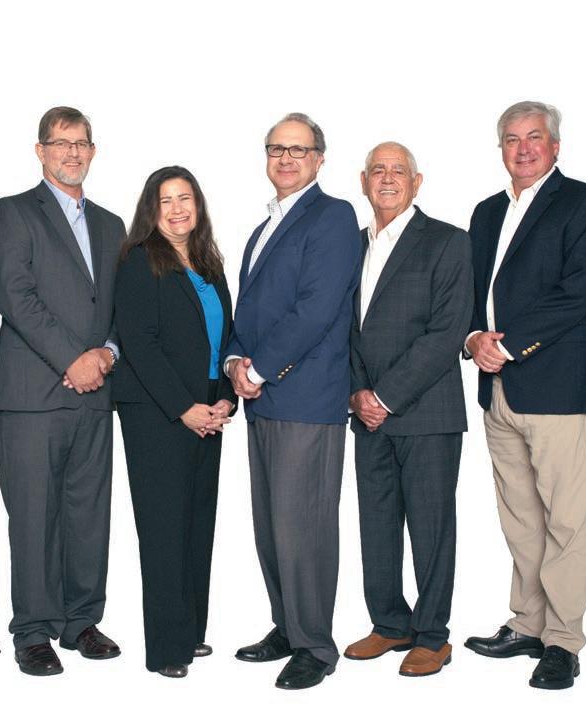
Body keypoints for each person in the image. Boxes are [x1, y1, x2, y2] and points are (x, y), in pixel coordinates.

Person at [463, 101, 586, 690]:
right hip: (497, 389)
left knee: (567, 520)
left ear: (555, 145)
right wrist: (473, 338)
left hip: (556, 387)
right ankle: (528, 623)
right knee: (520, 517)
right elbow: (471, 291)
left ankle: (563, 641)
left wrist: (507, 345)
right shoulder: (487, 211)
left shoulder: (583, 203)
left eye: (534, 137)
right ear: (500, 148)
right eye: (511, 139)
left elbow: (576, 293)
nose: (523, 149)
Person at [0, 106, 125, 677]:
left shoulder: (113, 226)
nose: (72, 152)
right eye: (60, 142)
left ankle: (82, 621)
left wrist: (106, 355)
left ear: (93, 151)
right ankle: (34, 630)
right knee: (34, 517)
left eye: (81, 143)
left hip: (95, 395)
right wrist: (73, 358)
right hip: (32, 397)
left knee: (89, 515)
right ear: (40, 150)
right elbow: (13, 294)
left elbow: (125, 308)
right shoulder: (15, 212)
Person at [227, 113, 362, 690]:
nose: (286, 159)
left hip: (306, 399)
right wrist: (235, 361)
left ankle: (315, 646)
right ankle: (287, 626)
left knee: (304, 529)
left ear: (320, 159)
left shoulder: (333, 217)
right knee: (272, 527)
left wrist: (257, 368)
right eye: (276, 149)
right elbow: (247, 312)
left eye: (298, 150)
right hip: (263, 401)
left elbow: (316, 308)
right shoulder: (263, 229)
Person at [343, 142, 472, 677]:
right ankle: (390, 624)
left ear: (417, 182)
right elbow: (344, 330)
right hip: (365, 415)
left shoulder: (448, 241)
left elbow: (446, 333)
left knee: (430, 528)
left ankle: (433, 635)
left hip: (426, 413)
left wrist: (385, 397)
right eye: (378, 170)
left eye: (399, 170)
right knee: (376, 525)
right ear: (363, 181)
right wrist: (357, 394)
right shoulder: (351, 245)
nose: (388, 178)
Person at [113, 166, 236, 678]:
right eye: (166, 201)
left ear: (198, 206)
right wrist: (184, 408)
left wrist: (225, 398)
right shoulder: (140, 261)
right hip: (158, 413)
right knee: (164, 529)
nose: (177, 209)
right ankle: (166, 649)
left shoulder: (209, 262)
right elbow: (140, 343)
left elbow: (227, 338)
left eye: (185, 199)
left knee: (198, 523)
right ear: (152, 210)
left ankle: (190, 631)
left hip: (207, 406)